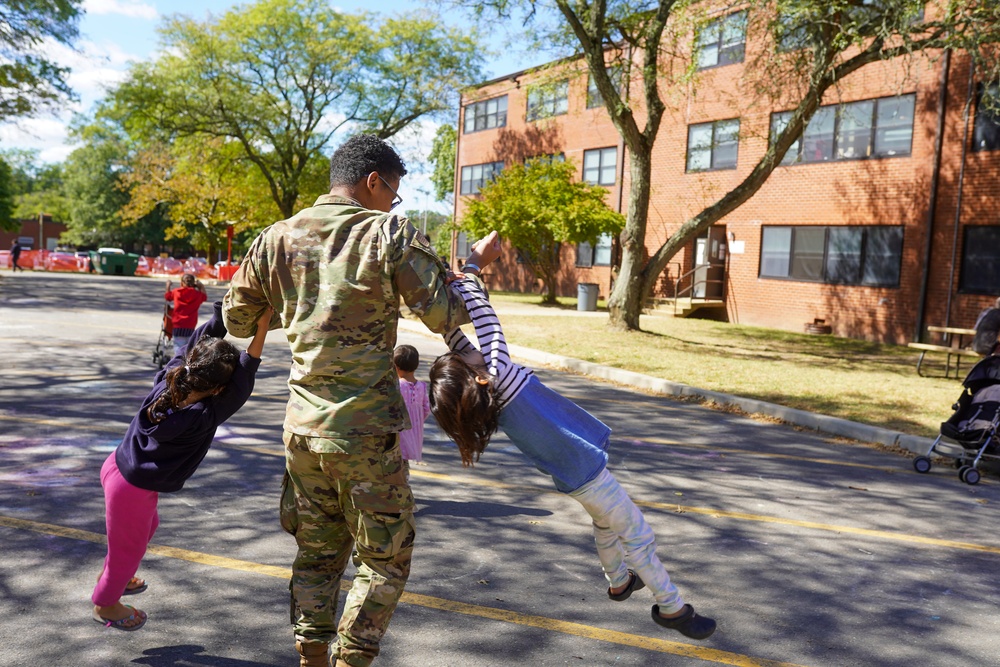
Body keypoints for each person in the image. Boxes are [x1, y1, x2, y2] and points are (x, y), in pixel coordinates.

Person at [221, 134, 500, 667]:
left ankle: (312, 654)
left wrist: (297, 304)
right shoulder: (388, 232)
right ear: (374, 181)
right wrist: (473, 269)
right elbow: (444, 314)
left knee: (318, 552)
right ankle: (352, 657)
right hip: (366, 433)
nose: (393, 204)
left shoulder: (274, 237)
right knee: (385, 558)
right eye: (392, 193)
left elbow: (237, 319)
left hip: (302, 429)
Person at [428, 264, 717, 642]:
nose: (474, 351)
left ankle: (618, 583)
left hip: (575, 478)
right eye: (470, 358)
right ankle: (672, 609)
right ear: (477, 377)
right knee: (637, 535)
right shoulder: (500, 375)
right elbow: (488, 322)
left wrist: (437, 297)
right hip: (588, 474)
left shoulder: (491, 394)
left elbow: (456, 338)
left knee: (605, 524)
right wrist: (467, 278)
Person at [91, 302, 271, 631]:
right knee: (128, 548)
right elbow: (245, 376)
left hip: (118, 469)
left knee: (142, 532)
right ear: (217, 389)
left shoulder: (171, 377)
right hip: (131, 486)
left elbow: (195, 347)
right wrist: (262, 328)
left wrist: (221, 315)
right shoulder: (203, 416)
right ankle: (106, 604)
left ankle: (119, 576)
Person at [393, 344, 431, 481]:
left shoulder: (397, 385)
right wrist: (417, 421)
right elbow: (426, 408)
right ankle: (404, 483)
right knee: (404, 462)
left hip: (398, 431)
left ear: (396, 367)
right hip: (414, 431)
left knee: (393, 461)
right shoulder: (422, 386)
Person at [165, 273, 208, 357]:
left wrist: (168, 285)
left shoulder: (176, 292)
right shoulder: (197, 294)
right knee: (189, 348)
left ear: (181, 283)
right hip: (190, 325)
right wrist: (201, 286)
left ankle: (178, 362)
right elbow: (204, 297)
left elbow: (167, 297)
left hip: (178, 324)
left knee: (178, 346)